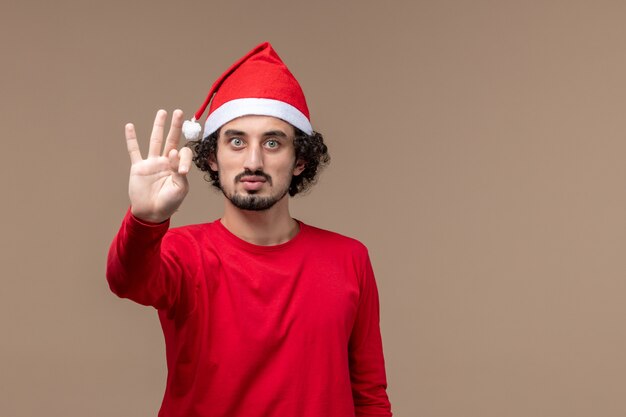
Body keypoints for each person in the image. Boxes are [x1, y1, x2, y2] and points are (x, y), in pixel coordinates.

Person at [106, 41, 392, 417]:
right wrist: (146, 219)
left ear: (300, 160)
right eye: (236, 141)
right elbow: (125, 280)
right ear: (212, 156)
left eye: (273, 143)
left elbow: (369, 397)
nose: (253, 161)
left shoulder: (349, 258)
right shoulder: (181, 251)